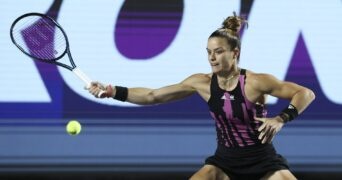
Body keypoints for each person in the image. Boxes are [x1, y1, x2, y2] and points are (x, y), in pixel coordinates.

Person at [87, 12, 315, 180]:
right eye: (209, 52)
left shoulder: (256, 82)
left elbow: (305, 93)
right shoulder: (202, 83)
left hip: (264, 163)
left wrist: (280, 119)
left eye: (218, 52)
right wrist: (113, 91)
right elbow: (152, 96)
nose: (212, 58)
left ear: (235, 53)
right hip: (224, 162)